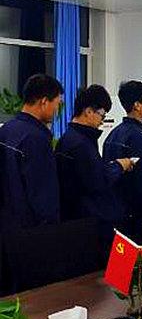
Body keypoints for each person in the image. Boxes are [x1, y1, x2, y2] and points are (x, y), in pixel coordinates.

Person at [55, 85, 133, 250]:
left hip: (79, 220)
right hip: (90, 223)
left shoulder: (70, 139)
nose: (102, 121)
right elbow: (96, 181)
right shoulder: (80, 144)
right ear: (88, 111)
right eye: (102, 115)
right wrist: (119, 166)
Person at [0, 74, 63, 231]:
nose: (57, 110)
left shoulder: (6, 129)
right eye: (56, 104)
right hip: (29, 231)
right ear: (44, 102)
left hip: (7, 224)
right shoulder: (37, 139)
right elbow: (43, 196)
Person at [102, 80, 142, 242]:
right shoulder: (139, 137)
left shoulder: (113, 134)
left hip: (117, 211)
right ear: (137, 105)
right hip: (137, 214)